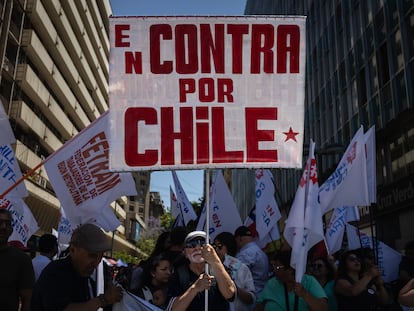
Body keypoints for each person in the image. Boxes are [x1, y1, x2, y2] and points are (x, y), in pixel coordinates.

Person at [31, 223, 123, 310]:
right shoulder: (56, 272)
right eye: (92, 255)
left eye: (101, 256)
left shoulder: (85, 276)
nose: (96, 263)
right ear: (72, 250)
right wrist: (103, 300)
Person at [166, 230, 236, 311]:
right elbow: (174, 309)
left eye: (203, 244)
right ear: (185, 252)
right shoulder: (177, 275)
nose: (198, 248)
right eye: (192, 245)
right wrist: (195, 288)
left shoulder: (221, 269)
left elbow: (230, 295)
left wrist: (215, 262)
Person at [254, 250, 328, 311]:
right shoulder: (272, 283)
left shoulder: (309, 282)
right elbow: (259, 307)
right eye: (274, 266)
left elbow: (324, 309)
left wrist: (304, 294)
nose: (274, 269)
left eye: (277, 267)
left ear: (290, 270)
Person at [0, 208, 34, 311]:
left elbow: (27, 300)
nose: (3, 227)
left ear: (11, 229)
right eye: (0, 222)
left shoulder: (22, 260)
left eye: (8, 223)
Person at [214, 231, 256, 311]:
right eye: (214, 246)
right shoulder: (210, 268)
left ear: (229, 246)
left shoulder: (242, 268)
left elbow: (251, 298)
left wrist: (233, 288)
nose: (216, 250)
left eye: (219, 246)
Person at [234, 225, 269, 297]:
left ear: (239, 238)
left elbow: (238, 277)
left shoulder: (244, 254)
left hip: (250, 296)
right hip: (263, 293)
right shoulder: (260, 251)